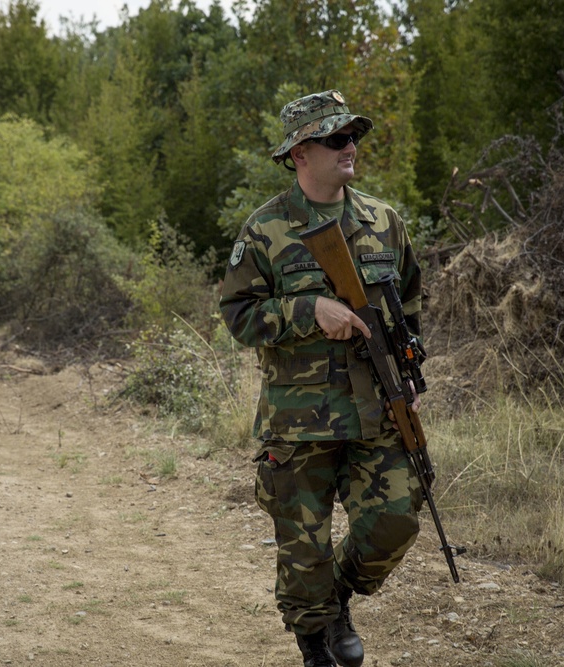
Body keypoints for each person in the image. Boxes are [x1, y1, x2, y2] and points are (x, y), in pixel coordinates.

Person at [219, 90, 425, 667]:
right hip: (298, 419)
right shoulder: (265, 230)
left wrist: (410, 369)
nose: (350, 146)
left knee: (394, 522)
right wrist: (308, 311)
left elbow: (407, 307)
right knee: (302, 550)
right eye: (336, 138)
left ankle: (334, 600)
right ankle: (315, 644)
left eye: (352, 135)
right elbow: (238, 316)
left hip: (376, 410)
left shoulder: (384, 222)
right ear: (300, 153)